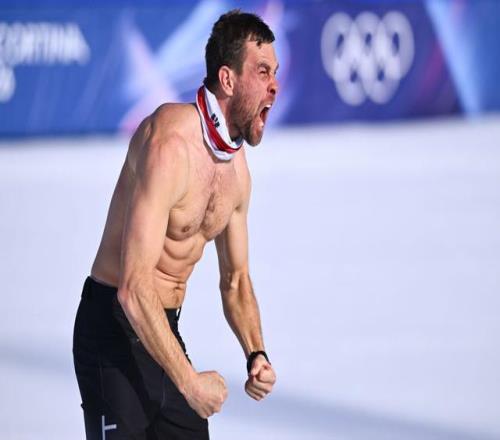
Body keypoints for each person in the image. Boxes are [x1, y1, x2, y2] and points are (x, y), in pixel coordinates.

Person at [73, 9, 279, 440]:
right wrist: (190, 383)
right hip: (111, 329)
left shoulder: (237, 172)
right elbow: (133, 287)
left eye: (275, 73)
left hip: (161, 329)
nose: (274, 85)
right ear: (227, 80)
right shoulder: (168, 145)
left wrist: (255, 352)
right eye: (262, 72)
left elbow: (236, 281)